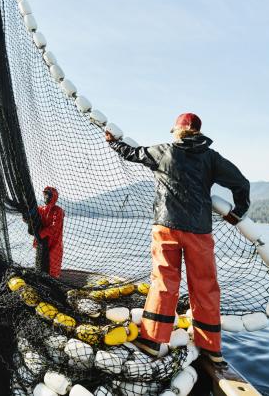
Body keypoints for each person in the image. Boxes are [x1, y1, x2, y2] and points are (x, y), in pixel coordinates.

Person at [105, 113, 249, 364]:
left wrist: (113, 142)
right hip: (199, 232)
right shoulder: (211, 158)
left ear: (176, 131)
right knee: (205, 285)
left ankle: (153, 340)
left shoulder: (163, 152)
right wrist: (238, 211)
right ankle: (211, 347)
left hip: (166, 228)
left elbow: (133, 153)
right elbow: (240, 182)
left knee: (164, 282)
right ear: (199, 133)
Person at [34, 186, 65, 278]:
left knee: (53, 266)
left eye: (48, 195)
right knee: (41, 264)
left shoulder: (58, 211)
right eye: (45, 194)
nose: (46, 197)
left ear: (53, 197)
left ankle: (53, 283)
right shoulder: (41, 209)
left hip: (54, 244)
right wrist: (26, 216)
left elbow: (54, 228)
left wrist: (40, 234)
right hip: (42, 243)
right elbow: (32, 219)